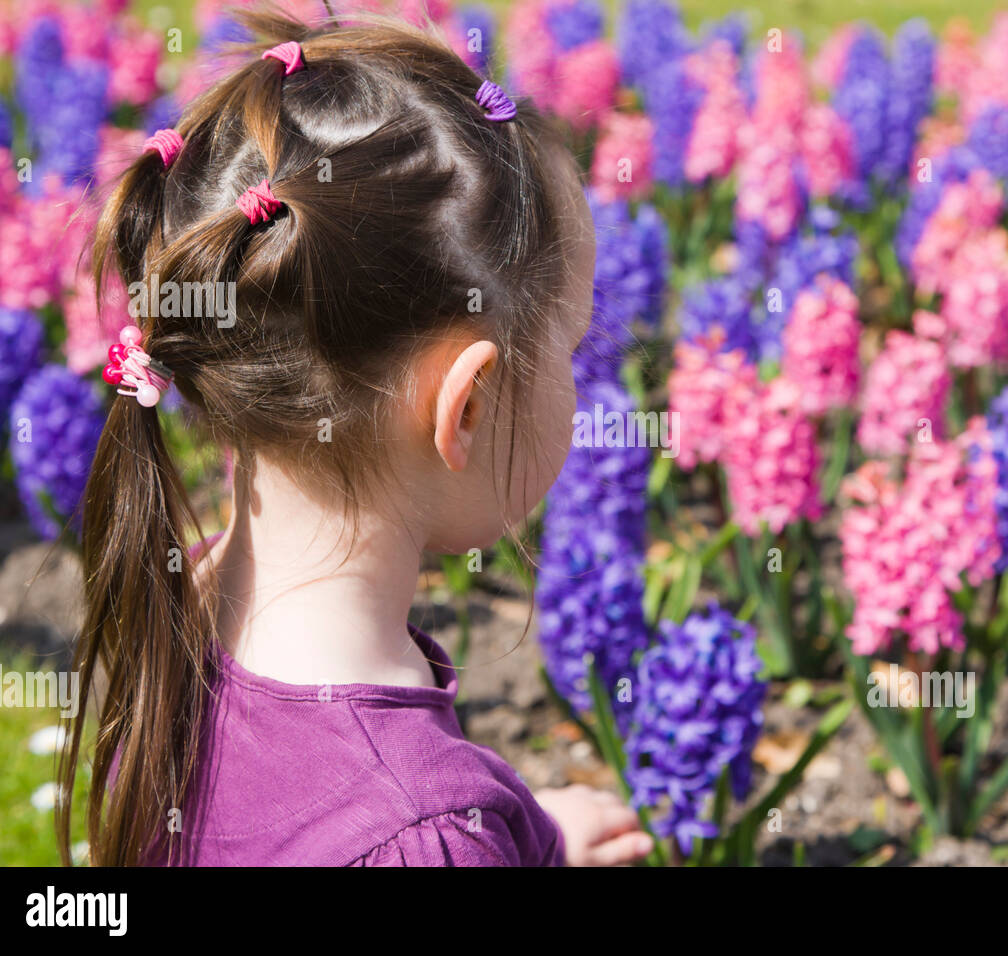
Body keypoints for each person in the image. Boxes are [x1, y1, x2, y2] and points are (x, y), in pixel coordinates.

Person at [60, 11, 653, 867]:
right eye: (571, 342)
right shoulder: (423, 840)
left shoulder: (182, 599)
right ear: (468, 406)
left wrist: (530, 833)